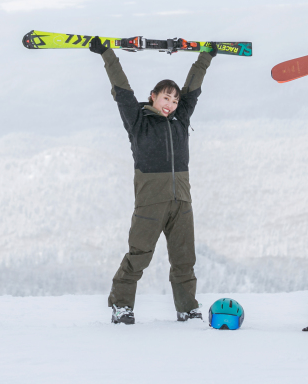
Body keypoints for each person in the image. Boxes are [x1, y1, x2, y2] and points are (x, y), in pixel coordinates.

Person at [89, 36, 216, 325]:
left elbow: (193, 90)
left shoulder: (181, 121)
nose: (171, 104)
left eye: (174, 99)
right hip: (150, 203)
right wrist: (107, 54)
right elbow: (122, 91)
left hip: (181, 202)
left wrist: (205, 57)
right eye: (165, 97)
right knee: (139, 256)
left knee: (185, 260)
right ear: (153, 97)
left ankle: (187, 308)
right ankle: (121, 306)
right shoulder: (138, 121)